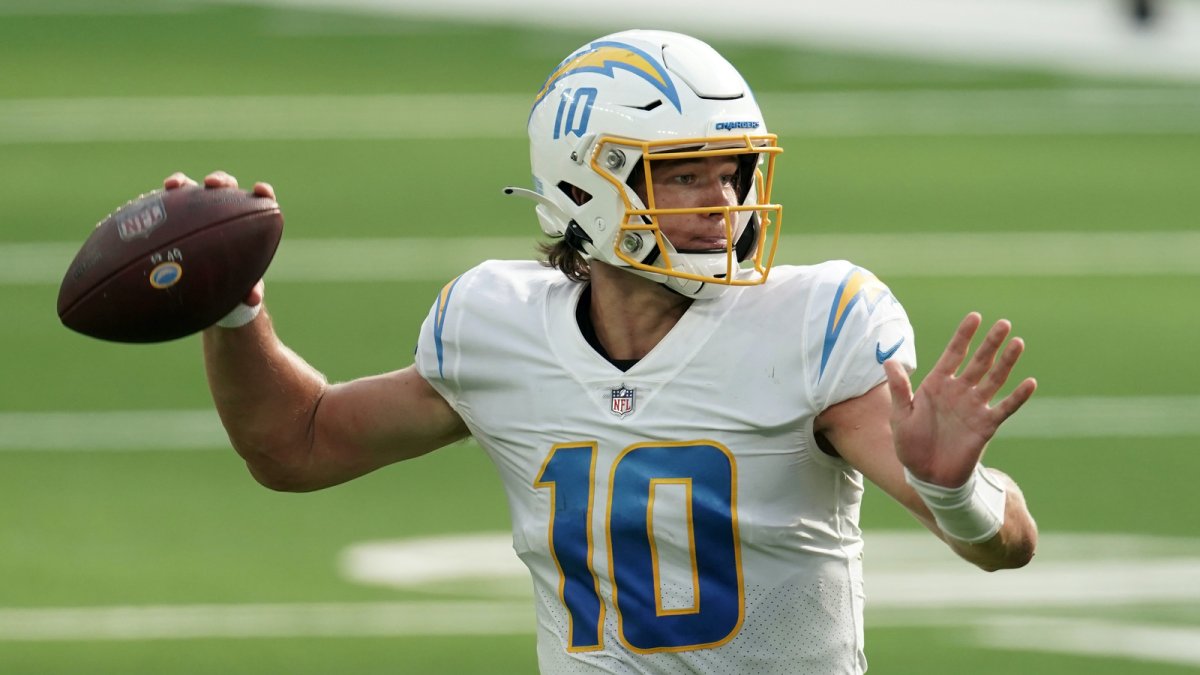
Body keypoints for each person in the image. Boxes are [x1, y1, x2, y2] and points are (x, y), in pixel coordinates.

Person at [167, 29, 1038, 674]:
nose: (724, 201)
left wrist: (952, 488)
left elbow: (1001, 546)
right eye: (686, 173)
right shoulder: (496, 322)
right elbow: (297, 443)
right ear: (587, 180)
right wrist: (237, 318)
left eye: (733, 172)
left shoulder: (813, 321)